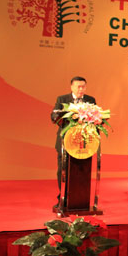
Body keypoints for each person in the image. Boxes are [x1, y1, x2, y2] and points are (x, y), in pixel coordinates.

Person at [50, 76, 96, 208]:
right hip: (65, 141)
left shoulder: (90, 100)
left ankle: (80, 199)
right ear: (72, 87)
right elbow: (54, 115)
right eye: (78, 87)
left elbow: (95, 116)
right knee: (63, 171)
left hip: (84, 143)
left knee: (81, 171)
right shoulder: (62, 99)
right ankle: (63, 197)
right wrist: (58, 116)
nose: (81, 89)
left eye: (83, 87)